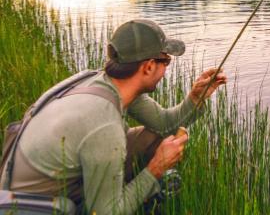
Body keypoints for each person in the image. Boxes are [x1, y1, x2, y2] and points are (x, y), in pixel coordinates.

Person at [1, 19, 226, 214]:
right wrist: (156, 168)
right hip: (34, 204)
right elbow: (103, 212)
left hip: (47, 178)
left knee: (153, 138)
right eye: (165, 61)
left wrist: (197, 98)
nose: (166, 69)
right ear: (148, 67)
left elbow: (164, 125)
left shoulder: (103, 82)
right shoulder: (104, 124)